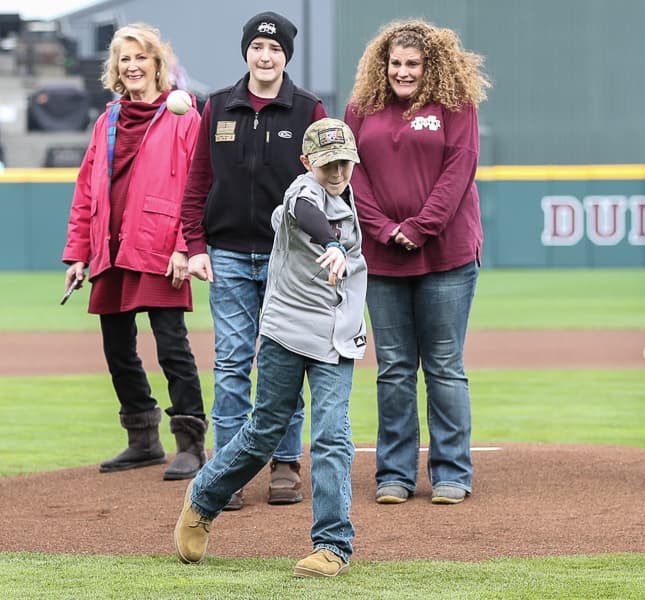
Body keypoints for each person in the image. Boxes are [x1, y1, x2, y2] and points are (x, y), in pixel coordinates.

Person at [175, 117, 366, 578]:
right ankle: (203, 500)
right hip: (287, 330)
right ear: (307, 163)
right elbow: (305, 213)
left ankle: (332, 545)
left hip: (337, 335)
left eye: (344, 162)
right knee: (265, 431)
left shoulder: (354, 194)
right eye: (327, 165)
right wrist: (333, 243)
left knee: (331, 433)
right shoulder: (302, 192)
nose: (337, 172)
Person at [181, 11, 327, 509]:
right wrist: (194, 246)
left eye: (276, 50)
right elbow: (198, 180)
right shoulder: (218, 105)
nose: (266, 57)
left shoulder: (309, 109)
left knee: (283, 363)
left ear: (286, 55)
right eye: (258, 48)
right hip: (226, 255)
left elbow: (328, 185)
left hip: (289, 259)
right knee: (231, 363)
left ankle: (285, 463)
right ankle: (229, 468)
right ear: (246, 52)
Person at [344, 20, 490, 505]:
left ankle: (451, 471)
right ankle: (395, 474)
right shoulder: (362, 108)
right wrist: (386, 230)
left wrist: (419, 227)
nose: (402, 72)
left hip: (446, 254)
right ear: (382, 66)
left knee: (445, 367)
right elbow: (352, 176)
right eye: (395, 63)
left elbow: (459, 167)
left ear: (431, 66)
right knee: (394, 368)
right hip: (382, 258)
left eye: (412, 63)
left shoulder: (454, 106)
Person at [61, 23, 207, 481]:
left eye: (141, 57)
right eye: (125, 59)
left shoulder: (183, 116)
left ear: (157, 65)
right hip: (110, 245)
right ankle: (142, 437)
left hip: (161, 247)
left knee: (172, 347)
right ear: (116, 70)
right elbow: (87, 190)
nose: (133, 65)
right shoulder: (107, 120)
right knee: (117, 348)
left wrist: (185, 247)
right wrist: (78, 254)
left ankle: (189, 441)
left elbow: (198, 186)